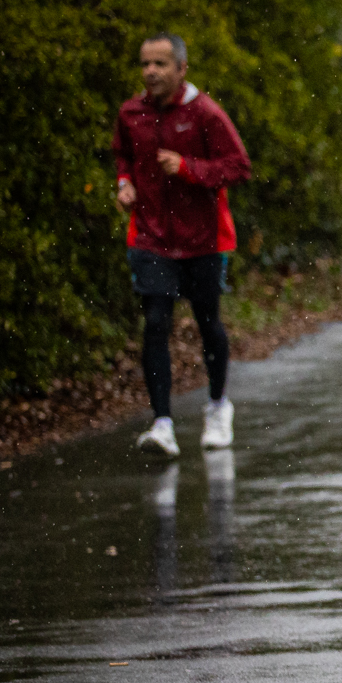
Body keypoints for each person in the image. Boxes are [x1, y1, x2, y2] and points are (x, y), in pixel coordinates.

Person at [114, 32, 252, 458]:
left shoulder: (205, 113)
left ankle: (218, 406)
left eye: (160, 64)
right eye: (145, 64)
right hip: (151, 237)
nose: (151, 72)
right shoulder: (131, 113)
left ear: (181, 68)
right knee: (155, 323)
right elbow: (122, 156)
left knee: (208, 323)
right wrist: (124, 184)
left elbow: (238, 167)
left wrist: (188, 168)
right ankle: (162, 424)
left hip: (204, 240)